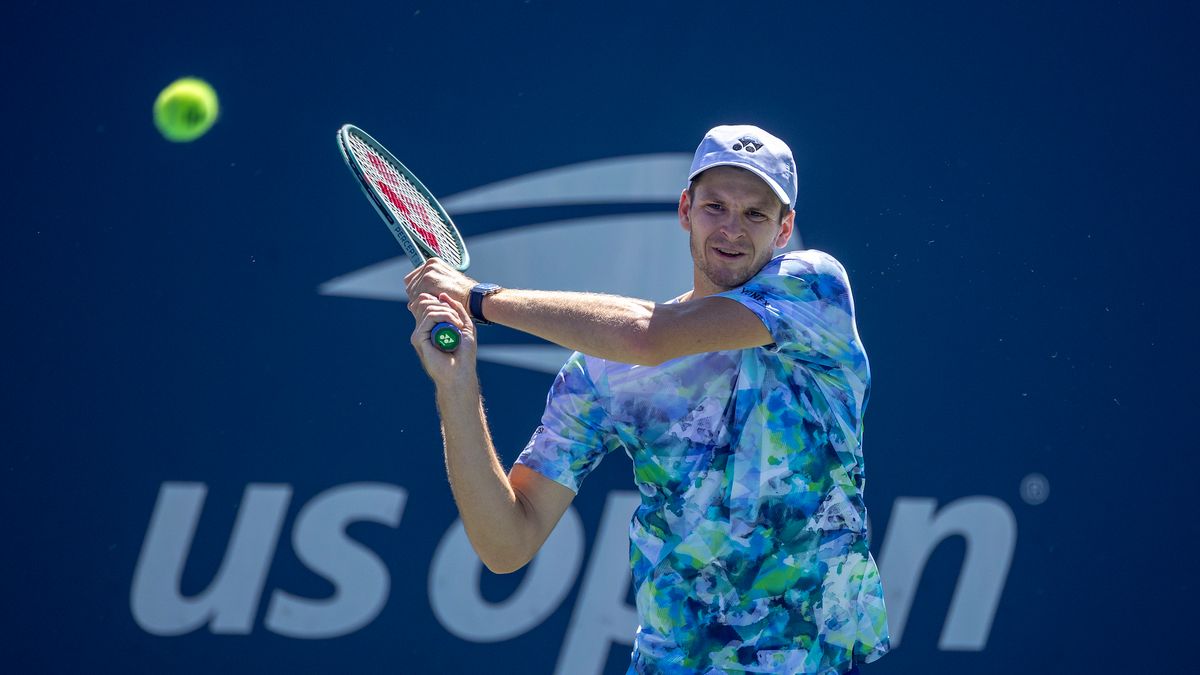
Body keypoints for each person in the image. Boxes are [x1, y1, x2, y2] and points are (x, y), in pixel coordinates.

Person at [404, 125, 890, 674]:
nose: (732, 228)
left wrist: (479, 299)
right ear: (685, 210)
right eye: (715, 207)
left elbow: (646, 336)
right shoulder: (601, 371)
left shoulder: (817, 288)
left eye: (755, 214)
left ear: (784, 230)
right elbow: (506, 545)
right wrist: (457, 386)